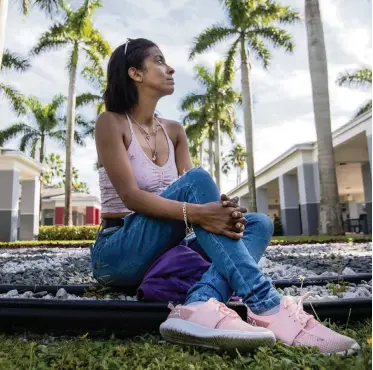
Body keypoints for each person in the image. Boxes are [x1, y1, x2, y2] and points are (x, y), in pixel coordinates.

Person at [92, 37, 360, 354]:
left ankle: (199, 304)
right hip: (118, 251)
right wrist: (201, 213)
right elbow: (132, 197)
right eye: (160, 60)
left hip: (167, 250)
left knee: (258, 223)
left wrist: (221, 212)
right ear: (135, 73)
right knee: (198, 180)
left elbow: (196, 202)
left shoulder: (174, 131)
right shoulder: (111, 123)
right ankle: (266, 304)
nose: (171, 67)